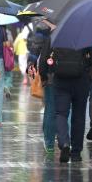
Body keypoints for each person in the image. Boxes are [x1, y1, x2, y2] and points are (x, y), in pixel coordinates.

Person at [39, 38, 92, 163]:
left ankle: (64, 142)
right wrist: (90, 77)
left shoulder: (57, 34)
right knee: (79, 116)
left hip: (60, 79)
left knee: (60, 113)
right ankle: (76, 152)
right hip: (81, 80)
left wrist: (44, 76)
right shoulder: (86, 35)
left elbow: (44, 57)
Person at [28, 19, 57, 153]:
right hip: (74, 73)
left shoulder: (44, 24)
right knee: (68, 108)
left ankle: (50, 143)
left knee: (50, 107)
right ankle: (66, 141)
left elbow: (36, 45)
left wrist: (31, 63)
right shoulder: (78, 20)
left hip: (50, 72)